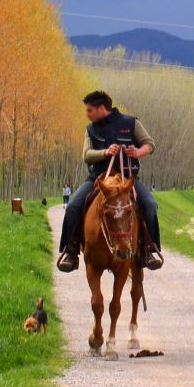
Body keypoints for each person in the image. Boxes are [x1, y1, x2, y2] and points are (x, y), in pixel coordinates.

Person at [57, 91, 161, 273]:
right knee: (73, 206)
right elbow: (86, 155)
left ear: (101, 109)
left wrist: (138, 152)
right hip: (99, 180)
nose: (87, 114)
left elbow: (149, 144)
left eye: (89, 110)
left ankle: (149, 249)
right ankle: (70, 251)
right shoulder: (90, 129)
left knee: (150, 205)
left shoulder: (131, 123)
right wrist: (105, 152)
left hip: (127, 180)